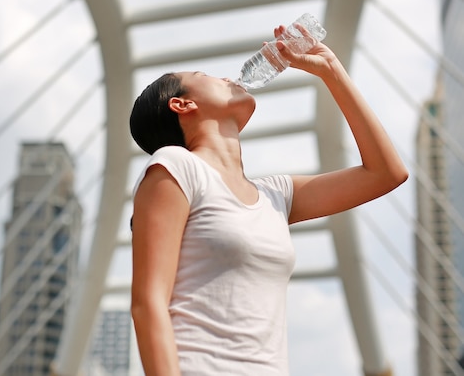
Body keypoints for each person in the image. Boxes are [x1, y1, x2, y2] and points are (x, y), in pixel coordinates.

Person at [128, 24, 409, 376]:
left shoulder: (274, 195)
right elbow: (147, 302)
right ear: (182, 104)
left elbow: (386, 173)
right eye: (205, 75)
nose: (229, 77)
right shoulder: (174, 166)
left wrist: (331, 71)